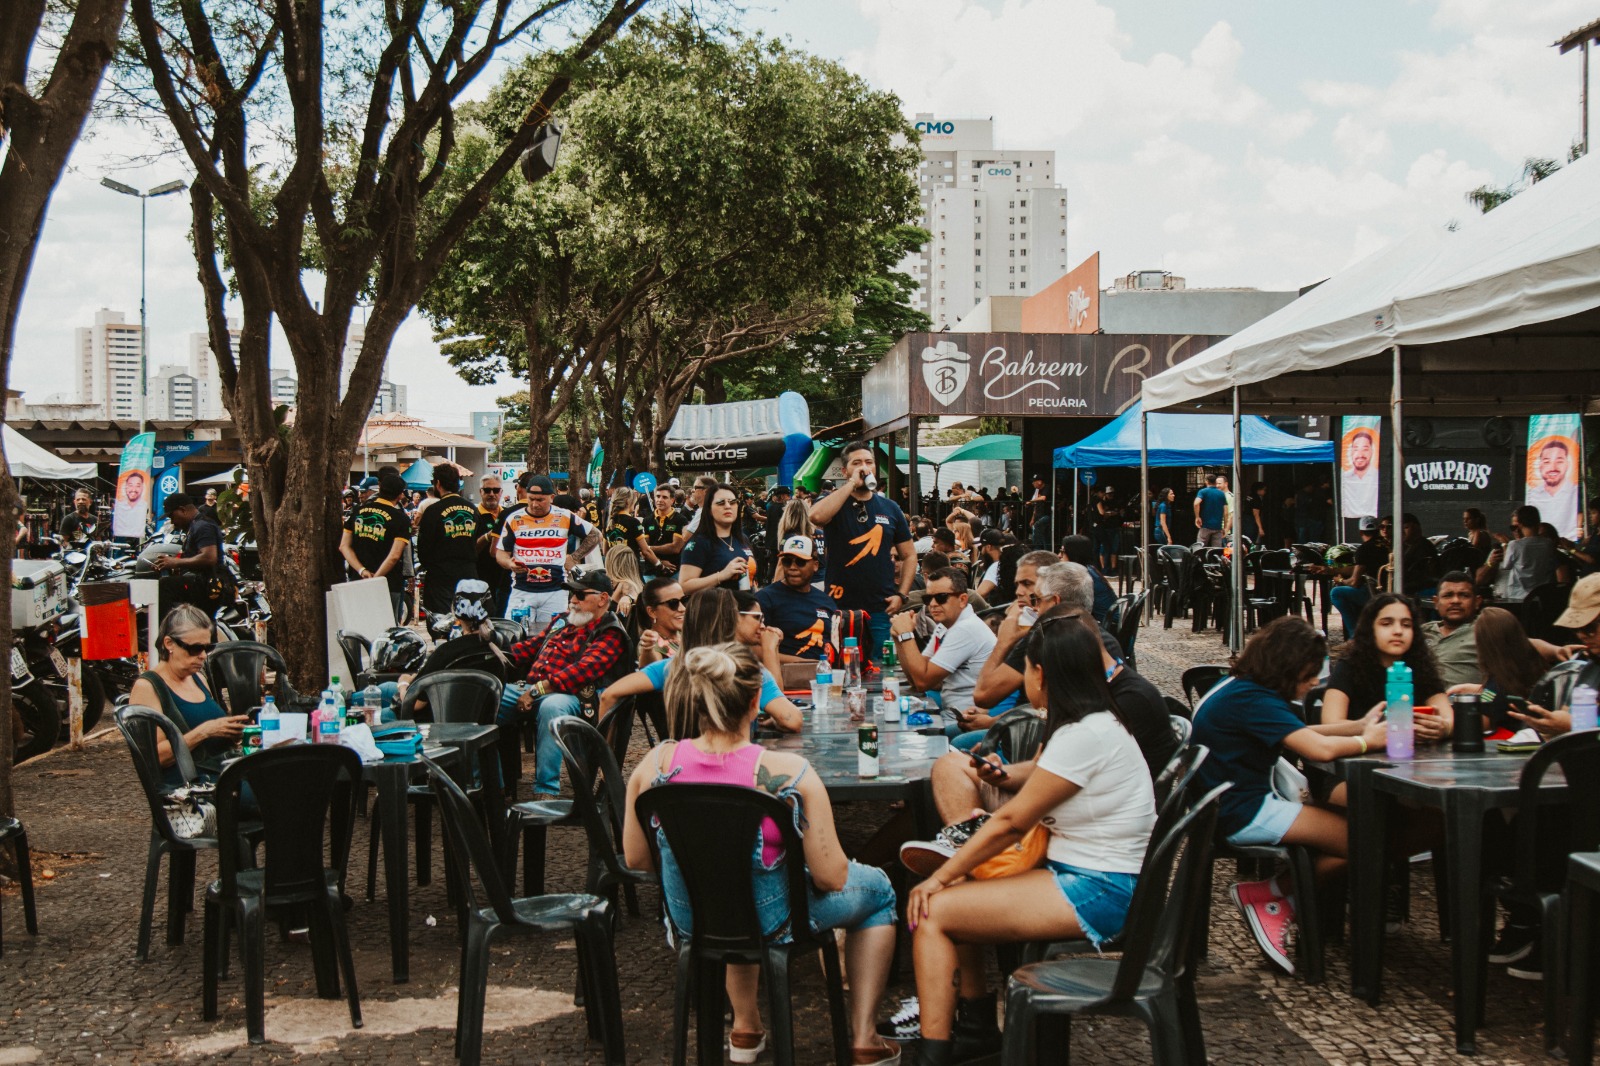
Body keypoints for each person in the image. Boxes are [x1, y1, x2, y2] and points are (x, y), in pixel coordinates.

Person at [620, 643, 901, 1066]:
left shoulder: (654, 764)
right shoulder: (790, 774)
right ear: (756, 701)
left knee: (727, 886)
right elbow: (831, 878)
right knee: (879, 890)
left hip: (691, 922)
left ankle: (746, 1027)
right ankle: (864, 1036)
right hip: (775, 923)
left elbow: (637, 859)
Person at [900, 617, 1157, 1065]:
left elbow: (1013, 823)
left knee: (932, 911)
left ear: (1041, 673)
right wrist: (1003, 776)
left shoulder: (1084, 735)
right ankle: (976, 1027)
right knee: (957, 893)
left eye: (1029, 670)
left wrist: (938, 877)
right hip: (1097, 876)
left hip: (1097, 889)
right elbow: (1041, 778)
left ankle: (934, 1053)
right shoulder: (1093, 722)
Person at [1192, 616, 1388, 974]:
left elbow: (1302, 731)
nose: (1316, 680)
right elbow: (1318, 749)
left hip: (1223, 806)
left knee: (1361, 827)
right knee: (1369, 837)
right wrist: (1368, 741)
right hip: (1243, 811)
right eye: (1311, 672)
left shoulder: (1242, 689)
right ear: (1289, 665)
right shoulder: (1255, 700)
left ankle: (1276, 897)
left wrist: (1357, 726)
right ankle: (1271, 894)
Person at [495, 570, 629, 801]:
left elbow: (582, 672)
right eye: (571, 594)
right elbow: (529, 647)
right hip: (532, 687)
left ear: (603, 598)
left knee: (552, 707)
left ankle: (546, 791)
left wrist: (536, 690)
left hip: (576, 695)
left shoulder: (610, 631)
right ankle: (489, 784)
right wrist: (493, 652)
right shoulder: (562, 621)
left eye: (579, 595)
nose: (573, 601)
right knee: (487, 696)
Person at [599, 587, 802, 734]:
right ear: (729, 623)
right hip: (734, 776)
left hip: (682, 774)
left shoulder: (671, 667)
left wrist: (607, 760)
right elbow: (792, 720)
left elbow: (609, 695)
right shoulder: (748, 669)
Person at [809, 441, 915, 663]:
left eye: (869, 462)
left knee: (880, 669)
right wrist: (850, 485)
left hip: (880, 608)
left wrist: (902, 594)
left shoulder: (890, 508)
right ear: (846, 470)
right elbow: (816, 517)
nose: (864, 467)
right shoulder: (836, 502)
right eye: (857, 463)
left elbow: (909, 555)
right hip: (840, 607)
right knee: (840, 667)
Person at [130, 604, 247, 784]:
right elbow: (155, 758)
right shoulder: (148, 687)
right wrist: (204, 731)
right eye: (194, 648)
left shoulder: (199, 679)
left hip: (224, 773)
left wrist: (232, 731)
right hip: (191, 786)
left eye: (207, 648)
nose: (202, 656)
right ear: (169, 643)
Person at [1321, 592, 1453, 737]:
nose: (1398, 631)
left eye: (1406, 625)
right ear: (1370, 629)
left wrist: (1443, 727)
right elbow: (1330, 723)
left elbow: (1448, 717)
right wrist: (1368, 726)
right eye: (1386, 624)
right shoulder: (1350, 665)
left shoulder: (1421, 666)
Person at [890, 567, 995, 732]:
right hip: (951, 715)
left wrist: (906, 635)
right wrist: (898, 638)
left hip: (967, 722)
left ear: (962, 600)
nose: (932, 604)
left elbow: (922, 682)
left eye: (941, 598)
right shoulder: (946, 625)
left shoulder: (966, 629)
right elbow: (915, 676)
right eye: (928, 598)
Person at [381, 579, 507, 714]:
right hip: (482, 718)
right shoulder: (502, 644)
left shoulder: (447, 652)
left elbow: (414, 704)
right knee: (386, 688)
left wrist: (403, 683)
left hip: (434, 721)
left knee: (373, 706)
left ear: (455, 611)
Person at [495, 473, 602, 631]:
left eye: (540, 500)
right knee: (514, 637)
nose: (535, 504)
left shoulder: (564, 516)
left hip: (555, 591)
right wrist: (509, 563)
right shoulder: (514, 519)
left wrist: (574, 557)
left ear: (552, 497)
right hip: (522, 591)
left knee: (554, 638)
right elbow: (500, 554)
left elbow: (595, 535)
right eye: (531, 499)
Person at [340, 471, 412, 622]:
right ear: (400, 495)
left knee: (358, 627)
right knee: (386, 631)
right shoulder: (400, 518)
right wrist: (376, 578)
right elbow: (394, 556)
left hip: (357, 581)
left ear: (380, 489)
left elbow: (344, 546)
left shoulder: (357, 512)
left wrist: (362, 570)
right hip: (387, 583)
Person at [755, 535, 835, 662]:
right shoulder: (765, 598)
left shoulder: (826, 600)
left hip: (825, 675)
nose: (793, 567)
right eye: (787, 561)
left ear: (815, 565)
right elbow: (752, 649)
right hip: (785, 676)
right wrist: (802, 663)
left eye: (800, 562)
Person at [414, 466, 480, 618]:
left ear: (438, 483)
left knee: (441, 624)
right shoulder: (472, 509)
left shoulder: (432, 510)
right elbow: (477, 542)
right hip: (469, 575)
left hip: (441, 578)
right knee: (468, 623)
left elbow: (423, 549)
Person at [151, 493, 231, 618]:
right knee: (204, 625)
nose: (172, 522)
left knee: (165, 585)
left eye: (172, 516)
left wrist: (175, 562)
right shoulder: (195, 526)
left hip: (208, 584)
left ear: (182, 510)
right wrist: (172, 567)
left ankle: (165, 630)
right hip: (204, 582)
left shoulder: (203, 526)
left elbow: (209, 557)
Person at [678, 484, 756, 594]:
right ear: (709, 509)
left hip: (745, 608)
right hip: (714, 608)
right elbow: (684, 587)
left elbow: (751, 582)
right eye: (721, 503)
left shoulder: (742, 538)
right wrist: (722, 575)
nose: (728, 506)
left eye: (733, 502)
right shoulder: (699, 542)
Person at [1324, 516, 1388, 638]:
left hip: (1375, 593)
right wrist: (1332, 570)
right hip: (1389, 589)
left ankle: (1355, 635)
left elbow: (1354, 581)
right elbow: (1359, 569)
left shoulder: (1364, 549)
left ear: (1360, 532)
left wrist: (1340, 580)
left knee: (1337, 593)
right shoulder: (1387, 544)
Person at [1478, 505, 1558, 602]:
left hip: (1518, 597)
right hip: (1539, 597)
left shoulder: (1514, 545)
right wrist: (1491, 563)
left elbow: (1506, 565)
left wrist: (1504, 544)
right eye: (1513, 527)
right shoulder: (1547, 543)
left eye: (1517, 526)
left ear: (1521, 524)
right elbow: (1479, 580)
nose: (1517, 530)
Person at [473, 476, 510, 616]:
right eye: (487, 490)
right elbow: (471, 549)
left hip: (505, 578)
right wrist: (489, 536)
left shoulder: (508, 514)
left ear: (501, 492)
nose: (491, 494)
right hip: (482, 577)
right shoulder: (473, 515)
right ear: (480, 492)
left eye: (495, 490)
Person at [603, 487, 663, 573]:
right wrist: (660, 565)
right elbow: (646, 551)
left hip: (614, 569)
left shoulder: (609, 521)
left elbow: (605, 552)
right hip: (631, 569)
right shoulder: (633, 522)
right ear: (628, 502)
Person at [1057, 535, 1115, 622]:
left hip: (1108, 627)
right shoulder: (1089, 569)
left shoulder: (1080, 577)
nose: (1059, 556)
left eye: (1062, 552)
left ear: (1074, 553)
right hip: (1110, 624)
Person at [636, 577, 686, 666]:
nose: (682, 608)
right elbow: (649, 671)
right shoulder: (653, 644)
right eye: (673, 603)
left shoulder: (687, 633)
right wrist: (647, 650)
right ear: (652, 612)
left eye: (684, 600)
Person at [640, 485, 686, 575]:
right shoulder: (647, 520)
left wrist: (649, 548)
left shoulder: (680, 520)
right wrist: (660, 562)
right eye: (657, 496)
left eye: (664, 497)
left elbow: (675, 548)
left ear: (672, 500)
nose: (660, 500)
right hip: (651, 572)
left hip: (673, 572)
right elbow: (643, 550)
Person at [1193, 473, 1228, 548]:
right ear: (1215, 482)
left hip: (1205, 525)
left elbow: (1196, 503)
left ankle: (1200, 559)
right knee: (1216, 550)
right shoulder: (1221, 494)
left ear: (1206, 481)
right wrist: (1225, 527)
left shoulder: (1203, 492)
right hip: (1218, 527)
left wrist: (1197, 517)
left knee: (1199, 548)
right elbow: (1226, 512)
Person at [1092, 485, 1121, 572]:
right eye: (1108, 494)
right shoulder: (1101, 502)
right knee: (1103, 548)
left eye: (1112, 494)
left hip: (1114, 527)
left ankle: (1112, 568)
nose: (1110, 496)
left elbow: (1119, 512)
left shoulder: (1116, 502)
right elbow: (1102, 514)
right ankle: (1104, 568)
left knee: (1114, 549)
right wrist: (1109, 514)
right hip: (1105, 528)